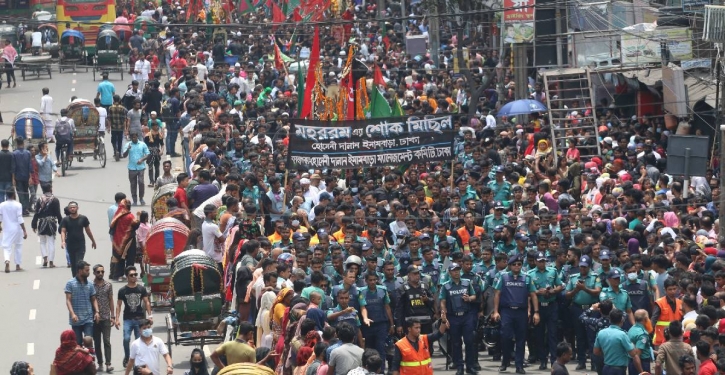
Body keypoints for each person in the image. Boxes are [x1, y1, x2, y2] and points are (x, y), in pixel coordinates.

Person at [491, 254, 539, 374]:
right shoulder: (503, 277)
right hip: (507, 311)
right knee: (505, 337)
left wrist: (535, 312)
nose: (517, 266)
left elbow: (532, 295)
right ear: (510, 265)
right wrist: (496, 311)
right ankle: (505, 362)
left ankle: (519, 365)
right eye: (514, 264)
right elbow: (497, 294)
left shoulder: (527, 278)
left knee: (521, 340)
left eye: (519, 264)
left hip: (521, 312)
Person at [439, 262, 478, 375]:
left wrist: (469, 298)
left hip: (466, 316)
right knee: (456, 343)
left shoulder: (467, 283)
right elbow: (443, 301)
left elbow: (474, 295)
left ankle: (470, 367)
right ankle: (459, 366)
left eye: (458, 270)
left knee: (469, 341)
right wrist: (444, 314)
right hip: (453, 317)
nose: (456, 272)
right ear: (450, 272)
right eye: (454, 270)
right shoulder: (445, 286)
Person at [565, 255, 602, 370]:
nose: (582, 269)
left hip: (592, 309)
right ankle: (581, 361)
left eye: (585, 267)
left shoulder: (595, 277)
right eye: (581, 266)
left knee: (592, 337)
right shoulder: (573, 277)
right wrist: (576, 289)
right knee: (579, 336)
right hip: (577, 308)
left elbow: (597, 292)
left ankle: (594, 362)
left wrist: (584, 288)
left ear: (589, 266)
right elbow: (567, 295)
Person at [528, 251, 564, 369]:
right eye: (539, 261)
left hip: (551, 305)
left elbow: (560, 285)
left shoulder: (553, 271)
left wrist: (552, 291)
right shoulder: (530, 274)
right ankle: (542, 360)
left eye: (543, 261)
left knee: (552, 334)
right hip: (538, 306)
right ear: (535, 262)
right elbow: (528, 292)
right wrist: (538, 292)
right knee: (538, 334)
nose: (542, 263)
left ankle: (554, 360)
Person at [117, 265, 152, 369]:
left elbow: (147, 302)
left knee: (138, 340)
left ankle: (137, 359)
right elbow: (118, 305)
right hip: (127, 319)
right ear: (127, 277)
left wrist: (150, 316)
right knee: (126, 338)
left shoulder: (141, 289)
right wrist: (116, 318)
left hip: (139, 319)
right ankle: (127, 356)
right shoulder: (122, 290)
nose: (134, 276)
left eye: (135, 274)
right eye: (131, 275)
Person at [593, 309, 643, 375]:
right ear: (622, 320)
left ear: (610, 319)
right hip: (618, 370)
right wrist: (632, 345)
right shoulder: (622, 335)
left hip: (606, 368)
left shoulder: (601, 333)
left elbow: (596, 352)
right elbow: (633, 353)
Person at [65, 260, 100, 344]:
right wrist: (72, 314)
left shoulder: (90, 284)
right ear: (80, 271)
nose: (88, 273)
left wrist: (97, 312)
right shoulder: (70, 283)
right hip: (76, 320)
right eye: (86, 270)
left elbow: (93, 299)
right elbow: (68, 300)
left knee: (88, 341)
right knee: (78, 344)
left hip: (88, 319)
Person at [60, 201, 97, 277]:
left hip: (80, 244)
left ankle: (81, 278)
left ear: (77, 208)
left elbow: (88, 230)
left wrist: (93, 241)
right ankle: (75, 279)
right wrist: (63, 241)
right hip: (70, 244)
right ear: (69, 209)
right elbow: (63, 231)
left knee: (79, 262)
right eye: (71, 207)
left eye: (74, 207)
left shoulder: (83, 218)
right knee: (73, 264)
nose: (73, 209)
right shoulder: (65, 220)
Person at [31, 182, 62, 268]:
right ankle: (51, 262)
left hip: (41, 223)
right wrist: (61, 224)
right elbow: (58, 214)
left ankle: (45, 258)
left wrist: (33, 224)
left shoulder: (39, 200)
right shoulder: (55, 200)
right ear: (50, 189)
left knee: (42, 242)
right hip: (51, 223)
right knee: (51, 242)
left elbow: (36, 213)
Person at [92, 264, 115, 374]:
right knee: (97, 342)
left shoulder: (108, 285)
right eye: (98, 272)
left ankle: (108, 364)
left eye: (102, 271)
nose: (100, 273)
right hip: (95, 319)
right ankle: (100, 363)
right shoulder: (90, 286)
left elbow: (111, 300)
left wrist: (113, 316)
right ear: (94, 273)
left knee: (107, 341)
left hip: (106, 317)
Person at [109, 199, 138, 280]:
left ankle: (117, 275)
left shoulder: (117, 216)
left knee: (119, 257)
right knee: (130, 257)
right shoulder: (130, 216)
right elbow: (135, 224)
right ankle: (129, 274)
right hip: (129, 239)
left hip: (118, 240)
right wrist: (138, 217)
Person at [0, 187, 26, 272]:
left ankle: (7, 260)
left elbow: (0, 217)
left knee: (7, 246)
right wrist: (24, 230)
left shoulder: (2, 205)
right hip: (17, 228)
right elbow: (20, 219)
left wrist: (0, 225)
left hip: (7, 229)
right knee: (18, 246)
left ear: (6, 194)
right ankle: (18, 265)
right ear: (14, 194)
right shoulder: (18, 205)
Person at [652, 278, 682, 347]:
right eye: (670, 289)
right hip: (661, 339)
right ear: (665, 290)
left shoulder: (680, 302)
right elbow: (653, 320)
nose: (673, 291)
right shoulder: (660, 303)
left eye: (674, 289)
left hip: (676, 339)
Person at [122, 132, 150, 206]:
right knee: (133, 184)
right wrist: (128, 149)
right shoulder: (128, 145)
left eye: (135, 137)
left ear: (137, 137)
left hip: (141, 167)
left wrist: (142, 159)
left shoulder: (142, 144)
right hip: (131, 168)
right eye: (132, 138)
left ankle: (141, 198)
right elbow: (124, 155)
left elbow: (147, 154)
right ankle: (134, 199)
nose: (134, 139)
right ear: (130, 138)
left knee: (141, 182)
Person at [627, 309, 653, 375]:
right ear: (646, 319)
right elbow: (637, 355)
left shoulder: (632, 329)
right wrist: (642, 372)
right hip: (641, 363)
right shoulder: (642, 334)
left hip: (631, 363)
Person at [13, 137, 32, 215]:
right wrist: (30, 177)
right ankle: (26, 208)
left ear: (17, 144)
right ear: (23, 143)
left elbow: (13, 167)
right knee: (26, 192)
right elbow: (29, 166)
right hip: (26, 176)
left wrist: (13, 178)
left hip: (18, 176)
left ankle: (23, 208)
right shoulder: (28, 153)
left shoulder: (14, 153)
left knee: (20, 193)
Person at [0, 139, 13, 203]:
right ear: (8, 146)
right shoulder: (11, 155)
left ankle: (1, 210)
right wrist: (13, 179)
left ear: (1, 145)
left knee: (1, 195)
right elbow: (13, 167)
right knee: (9, 194)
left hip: (0, 178)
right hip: (9, 178)